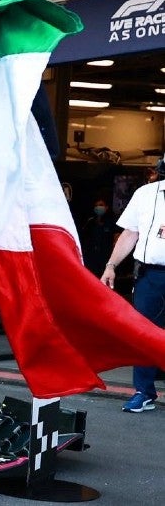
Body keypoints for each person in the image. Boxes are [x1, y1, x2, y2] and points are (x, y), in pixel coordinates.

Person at [101, 158, 165, 413]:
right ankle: (144, 392)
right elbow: (130, 233)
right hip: (150, 275)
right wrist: (111, 265)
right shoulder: (145, 194)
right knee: (144, 334)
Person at [81, 198, 117, 277]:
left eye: (101, 205)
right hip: (91, 258)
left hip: (106, 257)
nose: (98, 207)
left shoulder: (111, 222)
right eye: (96, 205)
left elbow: (116, 237)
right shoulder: (90, 222)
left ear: (106, 207)